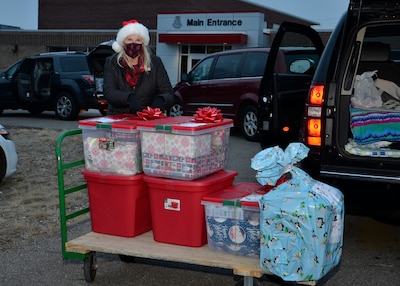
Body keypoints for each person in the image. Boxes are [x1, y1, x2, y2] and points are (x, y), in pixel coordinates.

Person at [103, 19, 175, 115]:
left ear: (143, 43)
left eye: (138, 40)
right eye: (129, 40)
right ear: (123, 43)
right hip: (119, 117)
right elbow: (109, 91)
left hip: (147, 118)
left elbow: (168, 92)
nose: (134, 44)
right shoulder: (112, 63)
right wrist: (128, 98)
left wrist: (162, 99)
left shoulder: (155, 62)